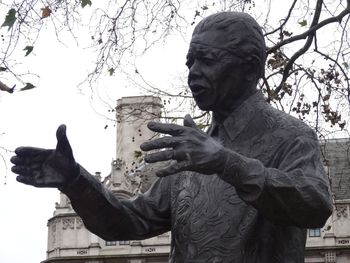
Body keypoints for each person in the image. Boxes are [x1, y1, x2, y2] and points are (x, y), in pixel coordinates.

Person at [11, 12, 333, 262]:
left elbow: (315, 205)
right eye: (190, 62)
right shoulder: (189, 151)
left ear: (251, 66)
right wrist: (75, 181)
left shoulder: (290, 137)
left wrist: (225, 163)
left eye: (207, 60)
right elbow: (130, 222)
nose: (193, 72)